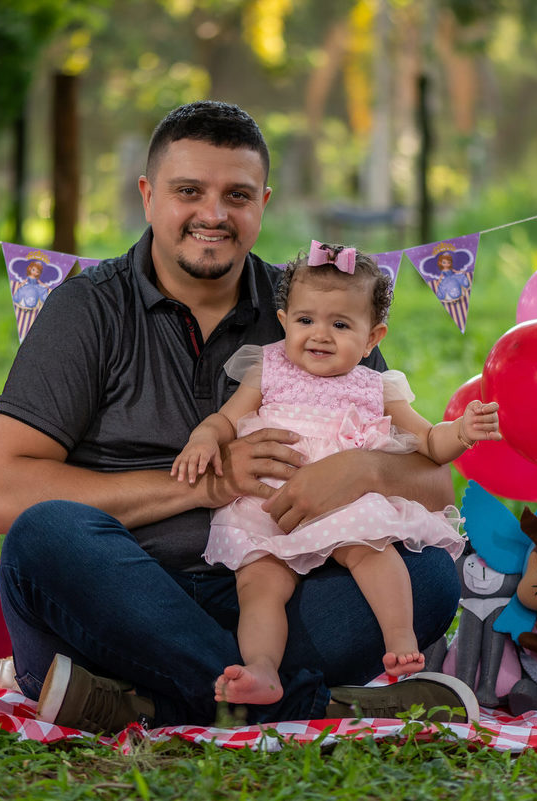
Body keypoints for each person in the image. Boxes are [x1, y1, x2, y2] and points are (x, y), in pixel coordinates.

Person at [0, 100, 478, 733]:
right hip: (118, 598)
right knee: (44, 536)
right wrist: (214, 483)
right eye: (189, 191)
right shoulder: (88, 309)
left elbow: (434, 485)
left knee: (428, 574)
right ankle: (303, 706)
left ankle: (161, 701)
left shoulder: (316, 308)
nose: (213, 215)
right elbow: (0, 496)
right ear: (148, 196)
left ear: (262, 204)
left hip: (277, 592)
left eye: (236, 195)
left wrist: (356, 469)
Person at [171, 241, 500, 706]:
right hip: (266, 507)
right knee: (259, 584)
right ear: (284, 322)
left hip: (343, 506)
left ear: (372, 339)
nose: (320, 335)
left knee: (372, 550)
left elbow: (428, 444)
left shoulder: (376, 387)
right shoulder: (267, 369)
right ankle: (262, 670)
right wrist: (205, 438)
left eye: (340, 324)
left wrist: (461, 431)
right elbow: (226, 419)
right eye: (305, 320)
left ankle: (400, 639)